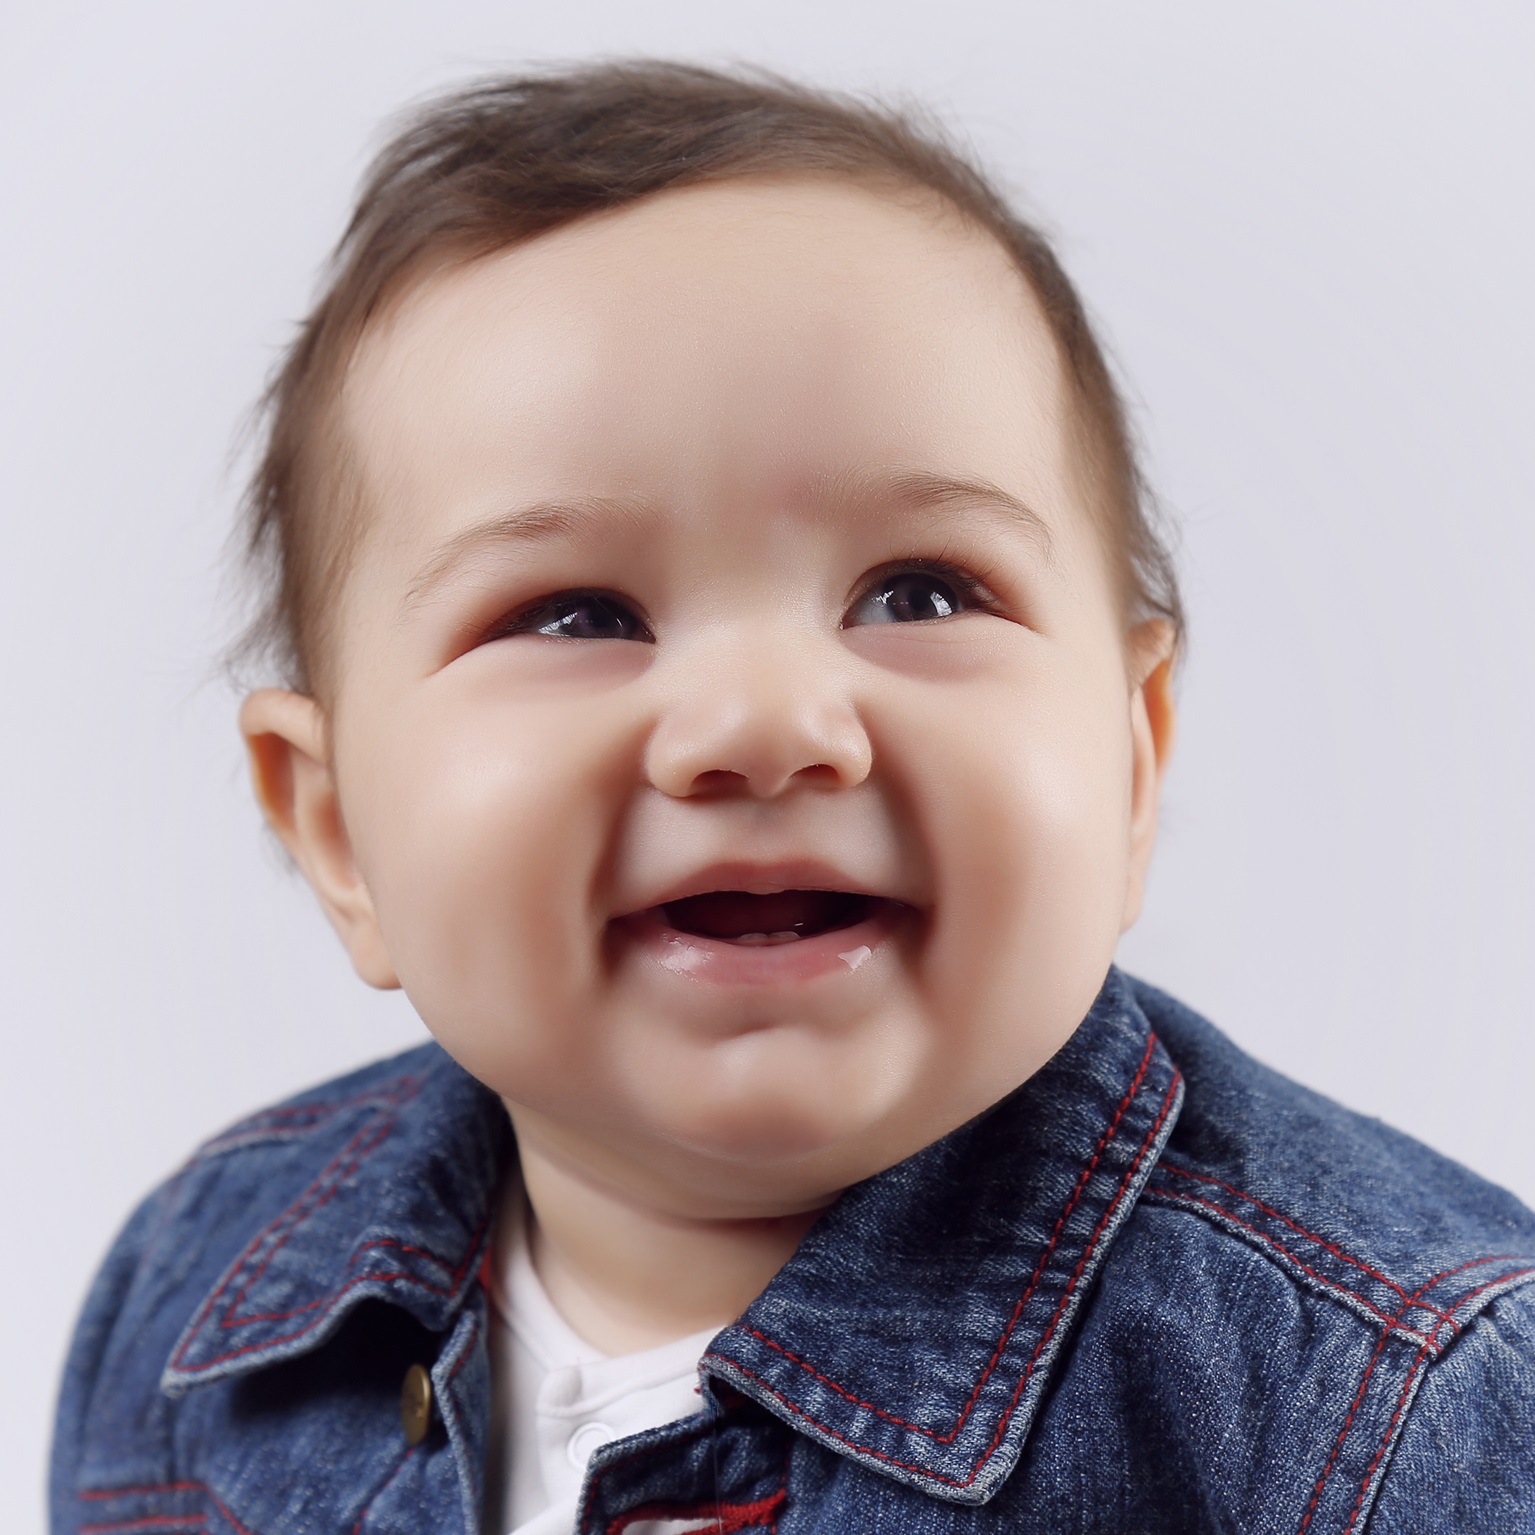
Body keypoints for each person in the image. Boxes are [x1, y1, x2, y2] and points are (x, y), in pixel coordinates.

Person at [50, 61, 1535, 1535]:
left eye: (919, 592)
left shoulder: (1401, 1414)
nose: (765, 725)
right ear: (335, 831)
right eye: (576, 614)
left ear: (1132, 759)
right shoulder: (195, 1305)